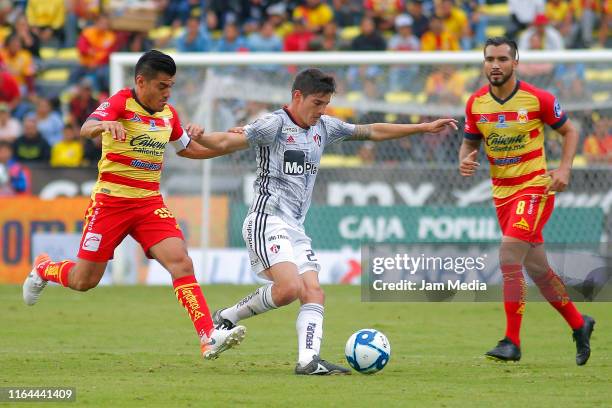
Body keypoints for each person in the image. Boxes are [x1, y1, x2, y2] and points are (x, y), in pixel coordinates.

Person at [190, 68, 457, 375]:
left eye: (326, 104)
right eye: (317, 103)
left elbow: (372, 131)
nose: (321, 111)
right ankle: (228, 315)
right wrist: (198, 137)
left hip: (295, 227)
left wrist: (423, 128)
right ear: (297, 96)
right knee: (289, 288)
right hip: (267, 219)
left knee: (314, 292)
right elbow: (226, 142)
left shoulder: (325, 127)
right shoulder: (272, 124)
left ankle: (308, 362)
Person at [23, 50, 246, 360]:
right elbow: (87, 127)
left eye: (171, 86)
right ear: (141, 82)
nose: (167, 93)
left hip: (148, 203)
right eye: (162, 86)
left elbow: (188, 150)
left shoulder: (169, 114)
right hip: (110, 203)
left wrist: (224, 145)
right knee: (85, 281)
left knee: (181, 262)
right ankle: (45, 268)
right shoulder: (120, 102)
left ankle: (208, 336)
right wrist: (104, 127)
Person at [459, 37, 595, 365]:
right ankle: (580, 324)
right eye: (489, 58)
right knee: (537, 268)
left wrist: (563, 168)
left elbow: (571, 131)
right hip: (502, 195)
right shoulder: (476, 104)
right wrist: (464, 160)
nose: (495, 64)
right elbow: (468, 145)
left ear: (515, 63)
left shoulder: (538, 99)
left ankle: (512, 342)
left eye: (502, 59)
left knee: (508, 254)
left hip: (535, 187)